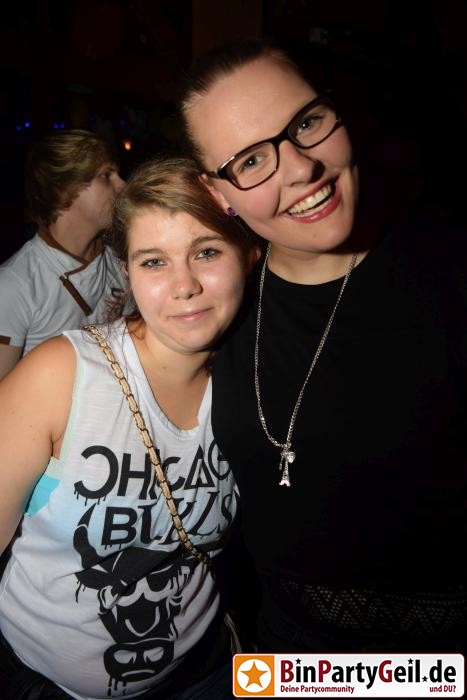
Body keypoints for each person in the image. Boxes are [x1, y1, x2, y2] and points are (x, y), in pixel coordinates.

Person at [178, 39, 467, 653]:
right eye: (251, 160)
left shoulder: (448, 275)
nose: (301, 169)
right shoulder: (214, 308)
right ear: (219, 193)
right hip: (278, 648)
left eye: (306, 123)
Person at [0, 156, 258, 699]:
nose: (184, 286)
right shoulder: (61, 375)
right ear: (127, 271)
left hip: (205, 673)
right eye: (153, 261)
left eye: (206, 252)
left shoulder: (259, 382)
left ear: (249, 253)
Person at [0, 129, 126, 380]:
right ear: (64, 190)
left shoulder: (120, 263)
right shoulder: (14, 285)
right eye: (106, 176)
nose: (123, 185)